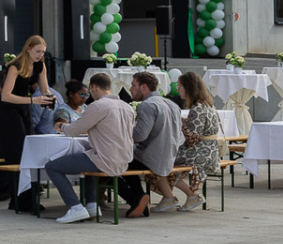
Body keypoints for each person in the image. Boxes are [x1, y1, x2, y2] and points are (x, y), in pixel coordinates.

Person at [45, 72, 133, 224]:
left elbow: (74, 130)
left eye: (90, 91)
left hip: (105, 158)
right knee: (88, 157)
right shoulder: (127, 106)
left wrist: (62, 126)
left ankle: (75, 207)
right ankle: (92, 205)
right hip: (125, 158)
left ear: (93, 87)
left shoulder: (97, 106)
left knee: (52, 166)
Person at [0, 37, 54, 210]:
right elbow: (6, 96)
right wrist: (33, 100)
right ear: (28, 49)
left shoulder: (40, 65)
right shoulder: (15, 67)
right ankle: (21, 199)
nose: (40, 55)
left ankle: (23, 199)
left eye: (43, 52)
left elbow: (44, 89)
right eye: (38, 51)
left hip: (24, 109)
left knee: (28, 153)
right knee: (17, 154)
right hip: (8, 111)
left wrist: (48, 97)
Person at [120, 71, 180, 218]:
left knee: (112, 164)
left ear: (144, 87)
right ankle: (140, 200)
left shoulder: (147, 105)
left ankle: (137, 198)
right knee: (124, 161)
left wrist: (122, 133)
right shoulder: (172, 104)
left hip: (151, 158)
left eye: (133, 85)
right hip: (170, 156)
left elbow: (140, 136)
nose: (130, 88)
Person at [169, 71, 222, 213]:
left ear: (189, 88)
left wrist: (181, 123)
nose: (178, 89)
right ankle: (183, 196)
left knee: (165, 161)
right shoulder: (208, 105)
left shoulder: (197, 108)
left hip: (201, 152)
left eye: (180, 86)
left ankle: (191, 196)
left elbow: (193, 139)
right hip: (210, 150)